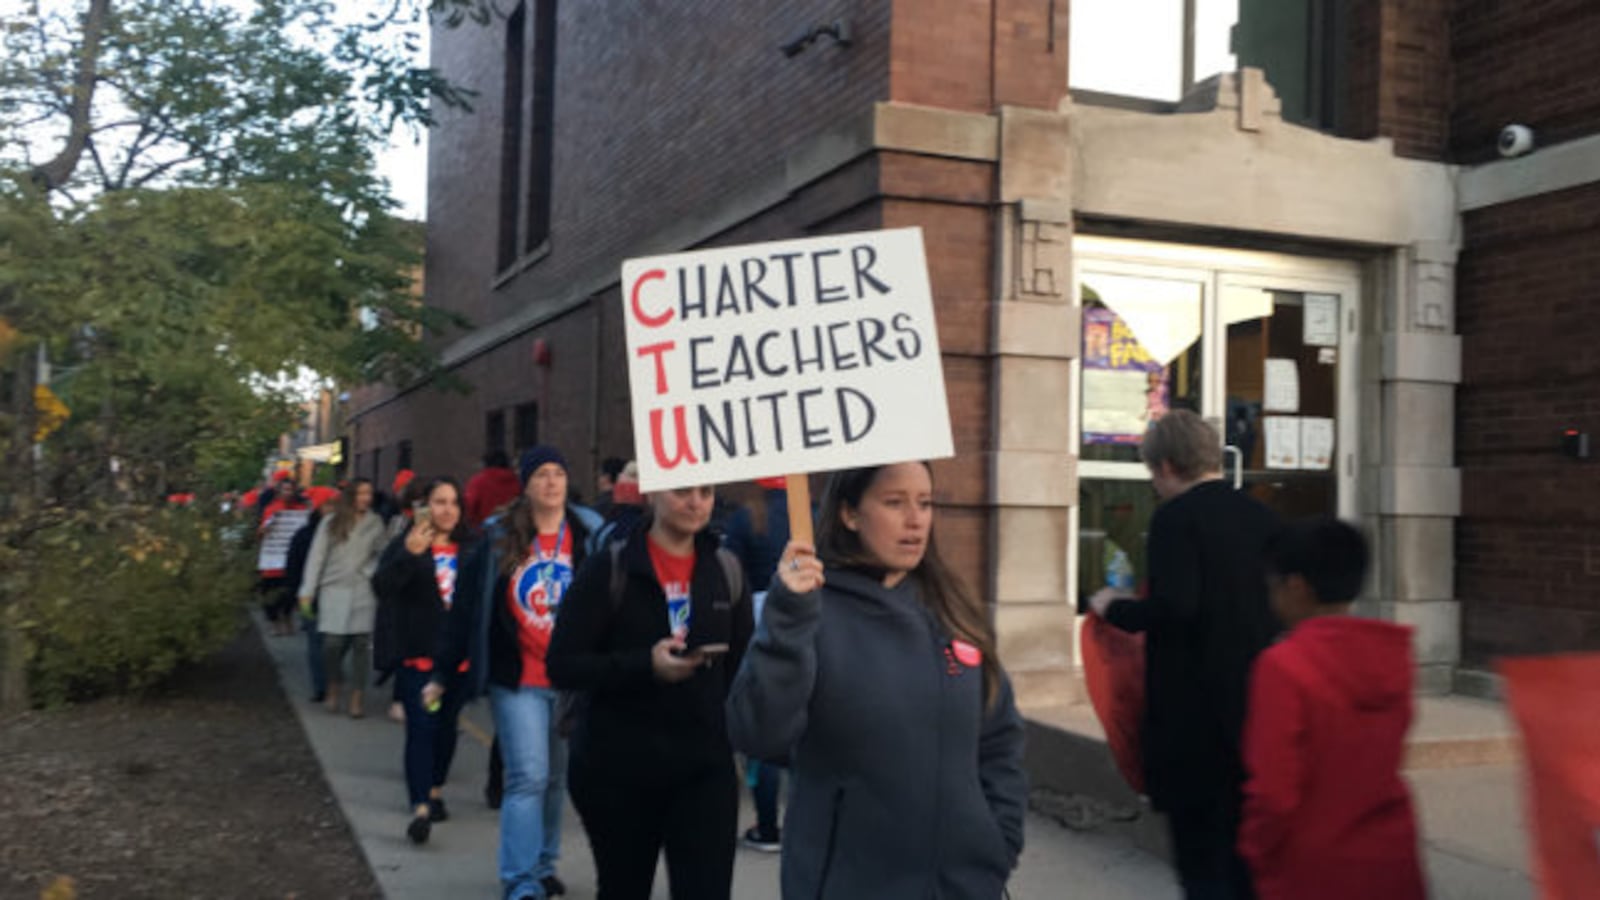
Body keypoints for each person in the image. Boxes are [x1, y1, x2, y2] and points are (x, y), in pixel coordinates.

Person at [727, 462, 1028, 899]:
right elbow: (757, 732)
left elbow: (999, 739)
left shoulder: (953, 611)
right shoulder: (812, 612)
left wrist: (996, 843)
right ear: (850, 514)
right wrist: (787, 620)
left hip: (964, 887)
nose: (915, 519)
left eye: (924, 503)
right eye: (894, 502)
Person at [1089, 409, 1281, 900]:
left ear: (1169, 465)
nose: (1154, 485)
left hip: (1193, 718)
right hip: (1255, 711)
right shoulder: (1263, 517)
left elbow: (1175, 606)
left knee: (1201, 864)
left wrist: (1116, 608)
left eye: (1153, 473)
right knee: (1246, 862)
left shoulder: (1176, 519)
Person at [546, 484, 754, 900]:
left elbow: (740, 667)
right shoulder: (610, 568)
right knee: (624, 888)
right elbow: (563, 665)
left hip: (703, 772)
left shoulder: (726, 570)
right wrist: (645, 665)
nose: (696, 503)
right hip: (618, 773)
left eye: (707, 492)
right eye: (682, 492)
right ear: (653, 494)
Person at [426, 446, 593, 900]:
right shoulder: (498, 538)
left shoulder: (588, 534)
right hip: (517, 677)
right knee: (528, 776)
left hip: (570, 678)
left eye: (559, 472)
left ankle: (542, 865)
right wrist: (442, 671)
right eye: (541, 474)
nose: (552, 482)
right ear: (526, 483)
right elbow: (464, 608)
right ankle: (519, 882)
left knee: (558, 779)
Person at [1239, 519, 1425, 900]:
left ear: (1296, 587)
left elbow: (1273, 792)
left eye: (1273, 585)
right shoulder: (1392, 656)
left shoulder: (1283, 665)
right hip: (1391, 858)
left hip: (1312, 866)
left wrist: (1254, 851)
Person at [372, 476, 478, 845]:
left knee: (447, 727)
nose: (446, 509)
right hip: (420, 657)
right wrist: (408, 556)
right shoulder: (409, 544)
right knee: (422, 728)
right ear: (424, 507)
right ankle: (420, 807)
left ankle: (434, 788)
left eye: (453, 502)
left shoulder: (472, 548)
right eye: (438, 501)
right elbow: (382, 588)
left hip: (457, 661)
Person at [719, 476, 792, 853]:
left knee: (767, 720)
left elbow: (729, 571)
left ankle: (767, 827)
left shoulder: (747, 517)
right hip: (806, 616)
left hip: (758, 618)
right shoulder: (810, 515)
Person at [300, 478, 387, 718]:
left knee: (361, 645)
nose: (366, 498)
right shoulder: (331, 522)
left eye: (369, 493)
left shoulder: (376, 522)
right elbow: (316, 557)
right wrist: (308, 590)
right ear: (351, 496)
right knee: (332, 645)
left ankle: (357, 697)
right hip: (333, 588)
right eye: (361, 493)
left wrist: (369, 571)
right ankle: (334, 685)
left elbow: (382, 553)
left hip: (363, 590)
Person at [258, 477, 311, 637]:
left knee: (290, 593)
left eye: (290, 489)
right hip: (273, 560)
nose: (288, 493)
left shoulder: (301, 509)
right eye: (285, 490)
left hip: (291, 560)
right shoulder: (271, 509)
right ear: (279, 492)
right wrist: (265, 529)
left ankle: (287, 617)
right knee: (271, 593)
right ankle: (274, 622)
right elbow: (262, 532)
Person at [466, 449, 523, 529]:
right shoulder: (518, 483)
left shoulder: (478, 482)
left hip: (483, 533)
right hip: (512, 533)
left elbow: (469, 508)